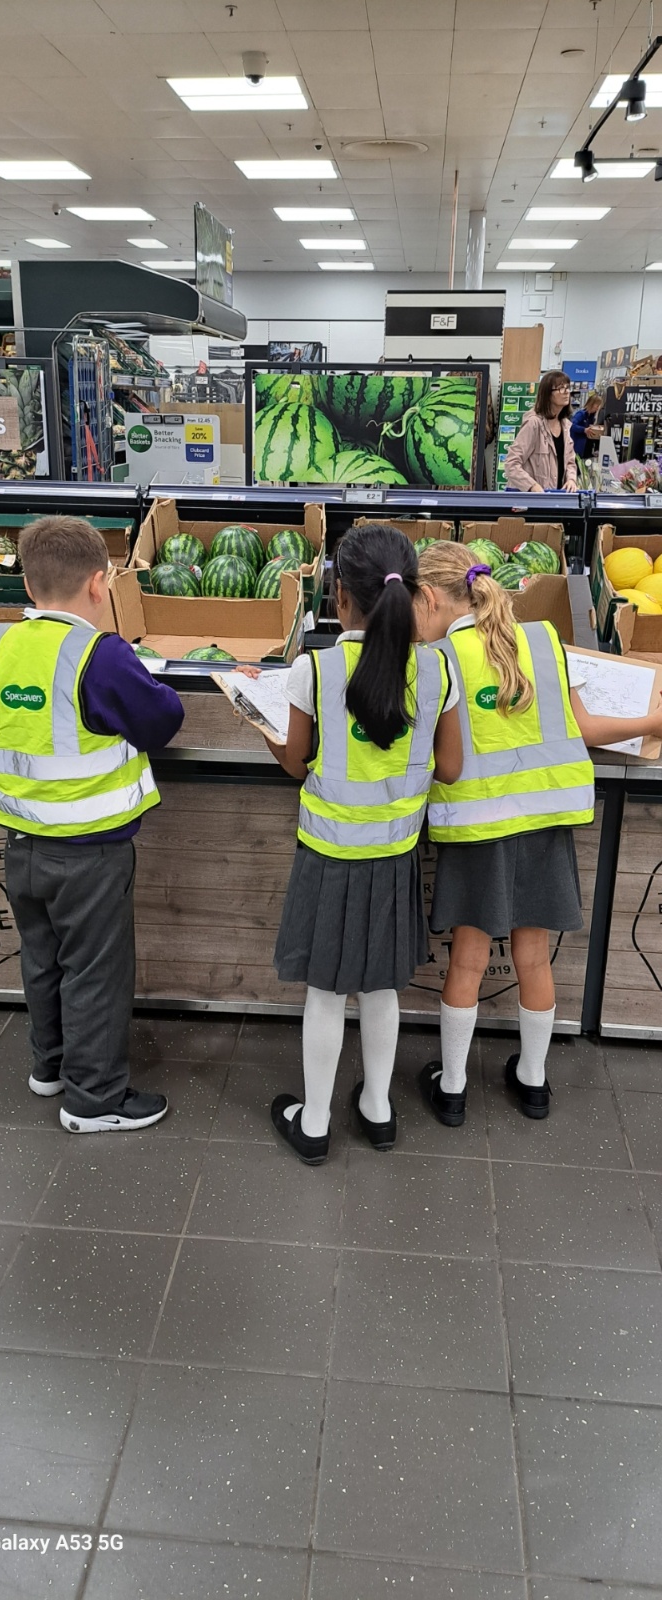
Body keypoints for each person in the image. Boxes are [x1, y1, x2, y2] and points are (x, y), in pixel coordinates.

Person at [0, 515, 185, 1134]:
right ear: (100, 584)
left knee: (43, 959)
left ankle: (49, 1067)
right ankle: (94, 1099)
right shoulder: (101, 655)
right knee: (96, 972)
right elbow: (162, 721)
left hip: (20, 845)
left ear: (27, 584)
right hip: (90, 854)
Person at [414, 541, 662, 1126]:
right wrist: (654, 720)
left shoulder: (437, 660)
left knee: (468, 960)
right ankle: (533, 1082)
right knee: (534, 957)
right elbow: (584, 728)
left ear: (431, 599)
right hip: (546, 825)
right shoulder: (545, 643)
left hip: (477, 829)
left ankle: (452, 1089)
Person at [260, 523, 462, 1164]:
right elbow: (450, 768)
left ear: (339, 596)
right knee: (381, 989)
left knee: (325, 991)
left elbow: (297, 763)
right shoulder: (437, 668)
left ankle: (315, 1123)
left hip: (328, 858)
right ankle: (377, 1110)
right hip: (395, 858)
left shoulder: (315, 669)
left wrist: (259, 724)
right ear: (414, 593)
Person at [504, 369, 577, 493]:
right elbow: (511, 463)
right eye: (560, 388)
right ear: (547, 394)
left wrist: (571, 480)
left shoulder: (565, 425)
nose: (566, 392)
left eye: (568, 388)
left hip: (555, 498)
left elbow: (570, 461)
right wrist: (532, 486)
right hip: (531, 500)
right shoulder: (534, 423)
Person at [570, 389, 604, 460]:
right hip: (577, 448)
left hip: (587, 448)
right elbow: (572, 425)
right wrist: (584, 430)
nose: (598, 407)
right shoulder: (581, 414)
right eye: (597, 405)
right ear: (592, 404)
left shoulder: (592, 416)